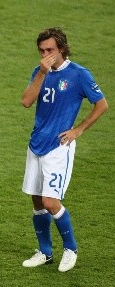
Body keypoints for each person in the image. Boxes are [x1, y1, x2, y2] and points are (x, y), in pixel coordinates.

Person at [21, 27, 108, 272]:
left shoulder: (79, 74)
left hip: (58, 147)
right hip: (36, 144)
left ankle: (70, 249)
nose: (45, 54)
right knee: (37, 201)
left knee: (50, 202)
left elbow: (101, 104)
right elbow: (26, 101)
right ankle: (45, 252)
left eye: (49, 49)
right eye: (41, 50)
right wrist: (42, 72)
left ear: (61, 48)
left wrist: (78, 130)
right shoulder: (40, 72)